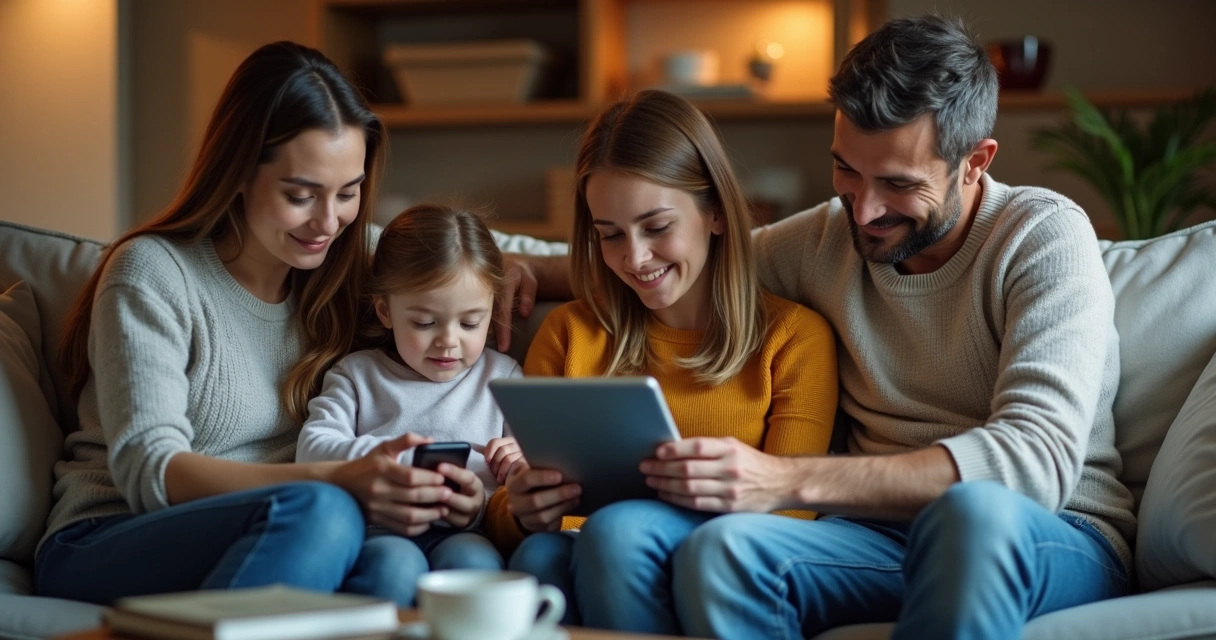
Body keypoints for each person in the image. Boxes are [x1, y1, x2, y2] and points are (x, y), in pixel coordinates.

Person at [626, 16, 1134, 640]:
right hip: (876, 537)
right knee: (723, 550)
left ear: (975, 162)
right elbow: (691, 264)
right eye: (847, 171)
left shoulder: (1043, 237)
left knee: (972, 516)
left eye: (897, 183)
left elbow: (1033, 465)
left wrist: (781, 479)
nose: (864, 211)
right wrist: (517, 270)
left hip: (1052, 534)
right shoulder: (824, 239)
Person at [33, 41, 538, 605]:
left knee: (378, 556)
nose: (328, 221)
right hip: (112, 534)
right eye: (301, 195)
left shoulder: (338, 259)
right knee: (327, 514)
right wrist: (335, 481)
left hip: (294, 530)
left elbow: (469, 253)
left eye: (349, 193)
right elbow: (150, 470)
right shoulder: (153, 272)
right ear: (240, 172)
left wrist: (557, 267)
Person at [484, 89, 839, 632]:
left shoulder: (792, 338)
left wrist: (645, 518)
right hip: (594, 550)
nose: (635, 258)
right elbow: (509, 508)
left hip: (716, 557)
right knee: (537, 559)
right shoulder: (570, 335)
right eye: (610, 235)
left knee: (617, 532)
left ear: (716, 213)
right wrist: (523, 512)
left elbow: (789, 514)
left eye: (656, 227)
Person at [295, 204, 524, 603]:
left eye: (471, 323)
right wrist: (389, 458)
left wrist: (511, 467)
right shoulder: (358, 374)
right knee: (392, 569)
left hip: (467, 530)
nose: (449, 340)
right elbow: (311, 448)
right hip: (382, 531)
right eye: (424, 322)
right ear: (385, 310)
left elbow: (530, 471)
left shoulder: (502, 377)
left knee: (477, 568)